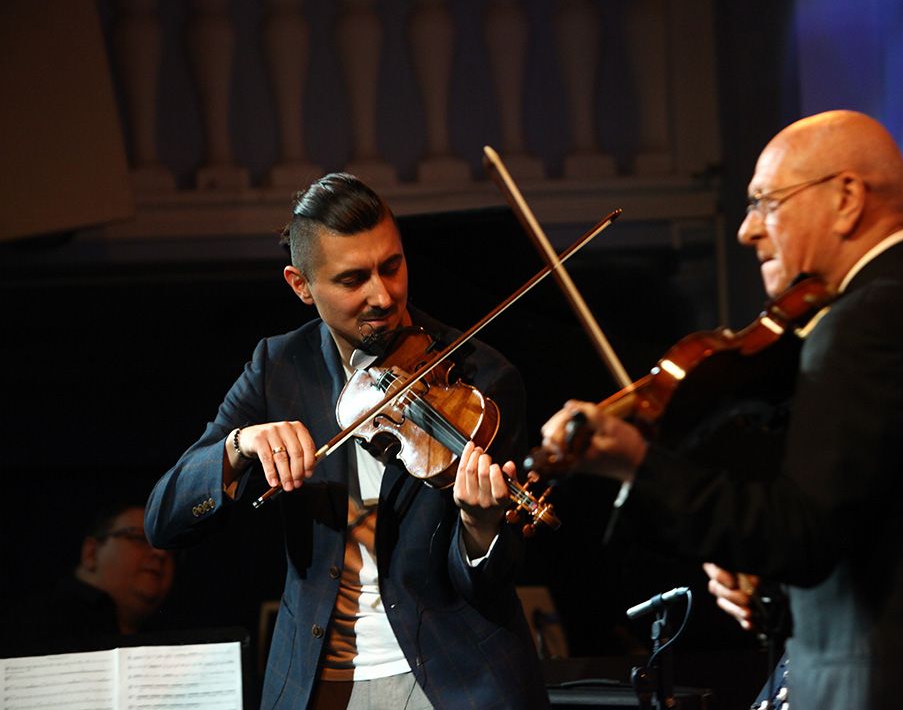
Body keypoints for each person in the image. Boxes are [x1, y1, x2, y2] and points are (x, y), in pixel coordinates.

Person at [462, 110, 903, 708]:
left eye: (766, 203)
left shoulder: (864, 326)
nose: (748, 231)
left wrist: (637, 464)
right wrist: (775, 595)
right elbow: (894, 537)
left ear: (847, 199)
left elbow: (800, 534)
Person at [145, 173, 548, 709]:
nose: (383, 296)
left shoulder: (479, 379)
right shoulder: (278, 367)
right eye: (353, 279)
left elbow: (488, 584)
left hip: (452, 675)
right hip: (318, 680)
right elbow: (164, 521)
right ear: (301, 285)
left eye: (392, 266)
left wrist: (480, 527)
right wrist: (240, 445)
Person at [2, 501, 175, 656]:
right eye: (139, 538)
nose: (160, 554)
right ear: (91, 553)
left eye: (169, 549)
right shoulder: (33, 622)